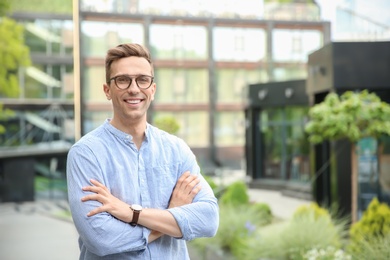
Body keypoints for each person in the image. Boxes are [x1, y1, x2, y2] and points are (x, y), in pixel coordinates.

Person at [66, 43, 219, 259]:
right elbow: (101, 239)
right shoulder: (86, 154)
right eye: (122, 80)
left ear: (152, 89)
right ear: (107, 90)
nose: (134, 88)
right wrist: (169, 218)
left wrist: (132, 214)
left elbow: (208, 219)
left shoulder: (176, 150)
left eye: (142, 79)